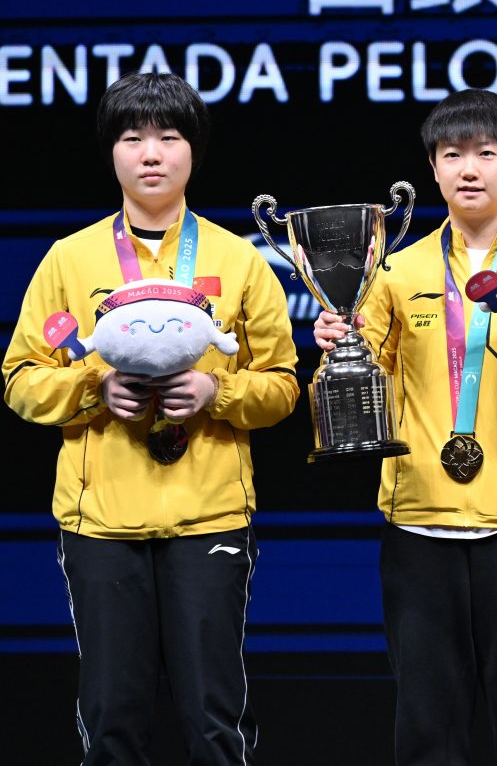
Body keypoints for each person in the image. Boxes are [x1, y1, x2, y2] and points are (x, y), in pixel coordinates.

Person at [3, 71, 300, 764]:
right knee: (112, 721)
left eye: (168, 137)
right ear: (111, 152)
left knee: (216, 722)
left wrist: (215, 392)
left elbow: (283, 386)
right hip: (101, 521)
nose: (151, 154)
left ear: (193, 150)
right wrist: (94, 388)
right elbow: (20, 380)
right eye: (132, 138)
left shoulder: (237, 259)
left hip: (210, 518)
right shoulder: (69, 259)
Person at [313, 88, 497, 766]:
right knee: (427, 731)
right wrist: (338, 349)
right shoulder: (394, 269)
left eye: (486, 153)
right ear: (432, 168)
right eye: (452, 155)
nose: (469, 169)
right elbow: (360, 383)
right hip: (420, 523)